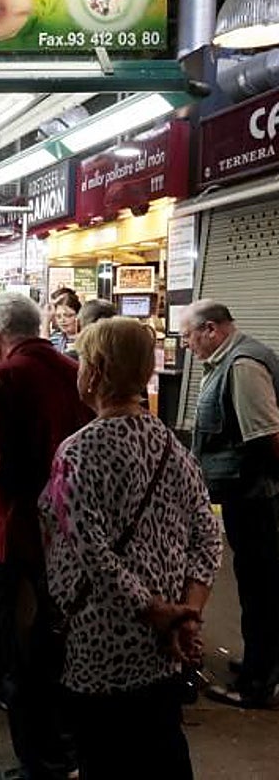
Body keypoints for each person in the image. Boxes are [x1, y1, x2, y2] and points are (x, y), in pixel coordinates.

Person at [40, 317, 222, 778]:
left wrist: (154, 609)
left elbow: (91, 551)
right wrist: (187, 613)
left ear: (96, 370)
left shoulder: (78, 451)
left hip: (101, 641)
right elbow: (208, 533)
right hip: (163, 648)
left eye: (83, 360)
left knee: (103, 755)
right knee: (160, 747)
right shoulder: (171, 446)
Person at [0, 292, 91, 780]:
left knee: (23, 653)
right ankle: (68, 752)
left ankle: (36, 764)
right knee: (64, 646)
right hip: (72, 535)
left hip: (19, 532)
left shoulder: (1, 377)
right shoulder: (75, 370)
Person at [182, 300, 279, 708]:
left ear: (210, 330)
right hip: (248, 494)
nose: (186, 345)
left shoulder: (241, 366)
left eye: (188, 336)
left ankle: (258, 682)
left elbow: (267, 437)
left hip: (256, 498)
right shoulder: (230, 360)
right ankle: (260, 661)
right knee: (257, 585)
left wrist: (265, 486)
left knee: (262, 589)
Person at [49, 290, 81, 355]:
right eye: (58, 316)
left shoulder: (89, 340)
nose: (62, 320)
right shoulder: (54, 338)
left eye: (68, 315)